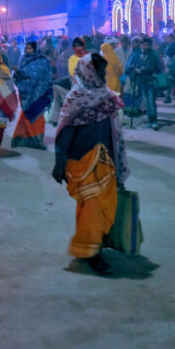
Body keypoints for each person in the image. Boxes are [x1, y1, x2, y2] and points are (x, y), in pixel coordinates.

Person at [51, 53, 128, 276]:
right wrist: (59, 162)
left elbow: (114, 130)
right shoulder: (76, 97)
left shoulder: (105, 95)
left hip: (105, 159)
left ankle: (89, 246)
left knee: (100, 205)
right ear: (88, 72)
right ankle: (91, 252)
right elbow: (64, 133)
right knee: (93, 207)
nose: (103, 76)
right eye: (100, 72)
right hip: (83, 160)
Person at [12, 41, 53, 149]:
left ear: (35, 49)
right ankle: (29, 140)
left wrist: (22, 72)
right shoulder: (23, 60)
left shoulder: (43, 60)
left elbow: (45, 76)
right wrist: (18, 73)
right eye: (26, 48)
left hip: (39, 93)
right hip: (27, 94)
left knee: (38, 118)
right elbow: (21, 76)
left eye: (29, 48)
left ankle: (38, 141)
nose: (27, 50)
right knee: (27, 116)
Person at [126, 37, 163, 130]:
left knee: (151, 102)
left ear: (149, 45)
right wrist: (134, 71)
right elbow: (130, 66)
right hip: (141, 82)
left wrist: (140, 70)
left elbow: (152, 67)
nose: (144, 46)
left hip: (150, 81)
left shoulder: (153, 55)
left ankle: (154, 121)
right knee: (146, 103)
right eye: (143, 44)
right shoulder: (137, 54)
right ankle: (150, 121)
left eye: (146, 45)